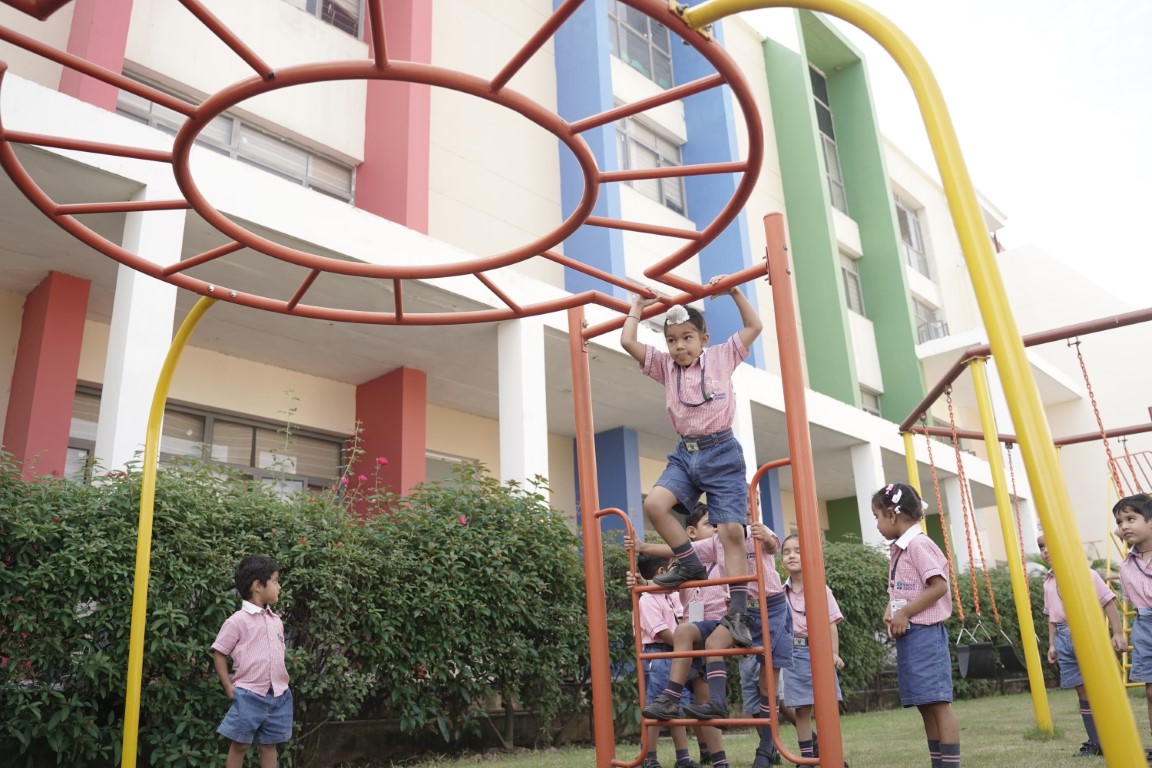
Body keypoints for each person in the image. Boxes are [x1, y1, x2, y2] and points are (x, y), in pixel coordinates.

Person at [620, 275, 763, 648]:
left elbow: (754, 326)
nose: (679, 346)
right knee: (655, 504)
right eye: (671, 340)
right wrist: (638, 305)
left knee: (731, 532)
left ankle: (737, 612)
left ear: (704, 339)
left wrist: (734, 291)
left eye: (687, 338)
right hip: (686, 454)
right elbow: (628, 341)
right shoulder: (665, 367)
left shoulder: (721, 357)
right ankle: (689, 562)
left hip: (722, 452)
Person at [629, 519, 791, 768]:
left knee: (767, 686)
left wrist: (766, 538)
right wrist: (642, 548)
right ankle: (698, 702)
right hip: (737, 614)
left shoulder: (756, 531)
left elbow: (772, 546)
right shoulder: (715, 544)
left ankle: (767, 749)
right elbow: (678, 550)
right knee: (708, 639)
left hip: (770, 608)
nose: (719, 524)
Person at [872, 483, 960, 768]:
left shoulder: (919, 545)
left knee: (938, 704)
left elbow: (939, 586)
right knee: (924, 704)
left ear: (892, 515)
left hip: (926, 636)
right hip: (911, 638)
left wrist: (906, 612)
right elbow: (904, 588)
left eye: (877, 517)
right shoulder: (901, 549)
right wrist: (892, 610)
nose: (877, 525)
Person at [1038, 532, 1125, 757]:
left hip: (1087, 632)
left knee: (1100, 688)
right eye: (1041, 547)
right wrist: (1052, 644)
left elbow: (1108, 602)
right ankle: (1096, 742)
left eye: (1050, 544)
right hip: (1063, 638)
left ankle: (1116, 737)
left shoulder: (1086, 574)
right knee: (1082, 691)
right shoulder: (1048, 582)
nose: (1045, 550)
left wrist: (1117, 632)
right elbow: (1052, 617)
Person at [212, 555, 293, 768]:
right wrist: (228, 686)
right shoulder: (237, 621)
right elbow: (219, 652)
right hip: (249, 694)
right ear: (258, 586)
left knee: (269, 745)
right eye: (275, 581)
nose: (279, 586)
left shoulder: (276, 621)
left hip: (279, 695)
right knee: (240, 745)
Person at [778, 534, 845, 762]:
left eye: (798, 551)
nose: (792, 556)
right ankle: (807, 757)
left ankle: (833, 754)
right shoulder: (780, 593)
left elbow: (831, 623)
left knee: (826, 708)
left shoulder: (820, 589)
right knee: (801, 709)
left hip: (819, 653)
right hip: (793, 655)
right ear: (781, 560)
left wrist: (833, 653)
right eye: (786, 552)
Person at [635, 552, 698, 768]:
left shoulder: (671, 595)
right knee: (655, 708)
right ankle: (649, 757)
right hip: (659, 656)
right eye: (674, 568)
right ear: (662, 571)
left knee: (676, 707)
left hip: (676, 655)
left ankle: (683, 758)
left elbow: (683, 619)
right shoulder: (647, 599)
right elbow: (663, 633)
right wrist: (686, 643)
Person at [1113, 493, 1152, 765]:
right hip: (1144, 626)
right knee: (1150, 691)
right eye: (1119, 522)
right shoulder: (1128, 563)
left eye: (1130, 519)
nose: (1124, 526)